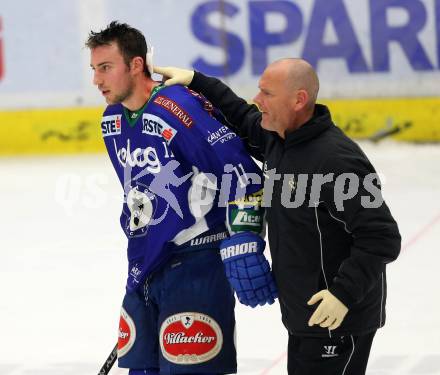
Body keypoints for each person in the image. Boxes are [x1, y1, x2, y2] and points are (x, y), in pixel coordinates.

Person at [154, 60, 401, 375]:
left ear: (298, 100)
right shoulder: (279, 139)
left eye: (267, 93)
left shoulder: (336, 161)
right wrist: (197, 81)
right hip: (305, 315)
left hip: (339, 319)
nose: (258, 99)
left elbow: (381, 237)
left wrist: (343, 295)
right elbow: (242, 116)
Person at [86, 21, 277, 375]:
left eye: (106, 68)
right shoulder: (111, 119)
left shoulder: (178, 108)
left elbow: (242, 173)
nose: (97, 80)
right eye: (94, 69)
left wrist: (245, 240)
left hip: (197, 264)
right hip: (146, 266)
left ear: (136, 65)